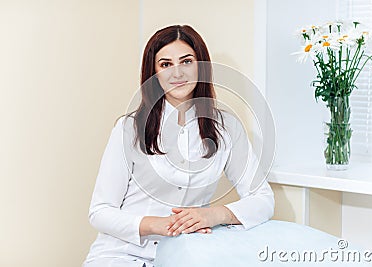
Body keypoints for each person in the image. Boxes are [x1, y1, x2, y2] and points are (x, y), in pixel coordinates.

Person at [82, 25, 274, 267]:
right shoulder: (128, 128)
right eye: (165, 64)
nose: (177, 73)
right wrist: (158, 225)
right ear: (153, 73)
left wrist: (213, 215)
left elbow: (263, 199)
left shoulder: (227, 127)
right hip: (120, 254)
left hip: (187, 254)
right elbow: (100, 211)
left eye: (186, 61)